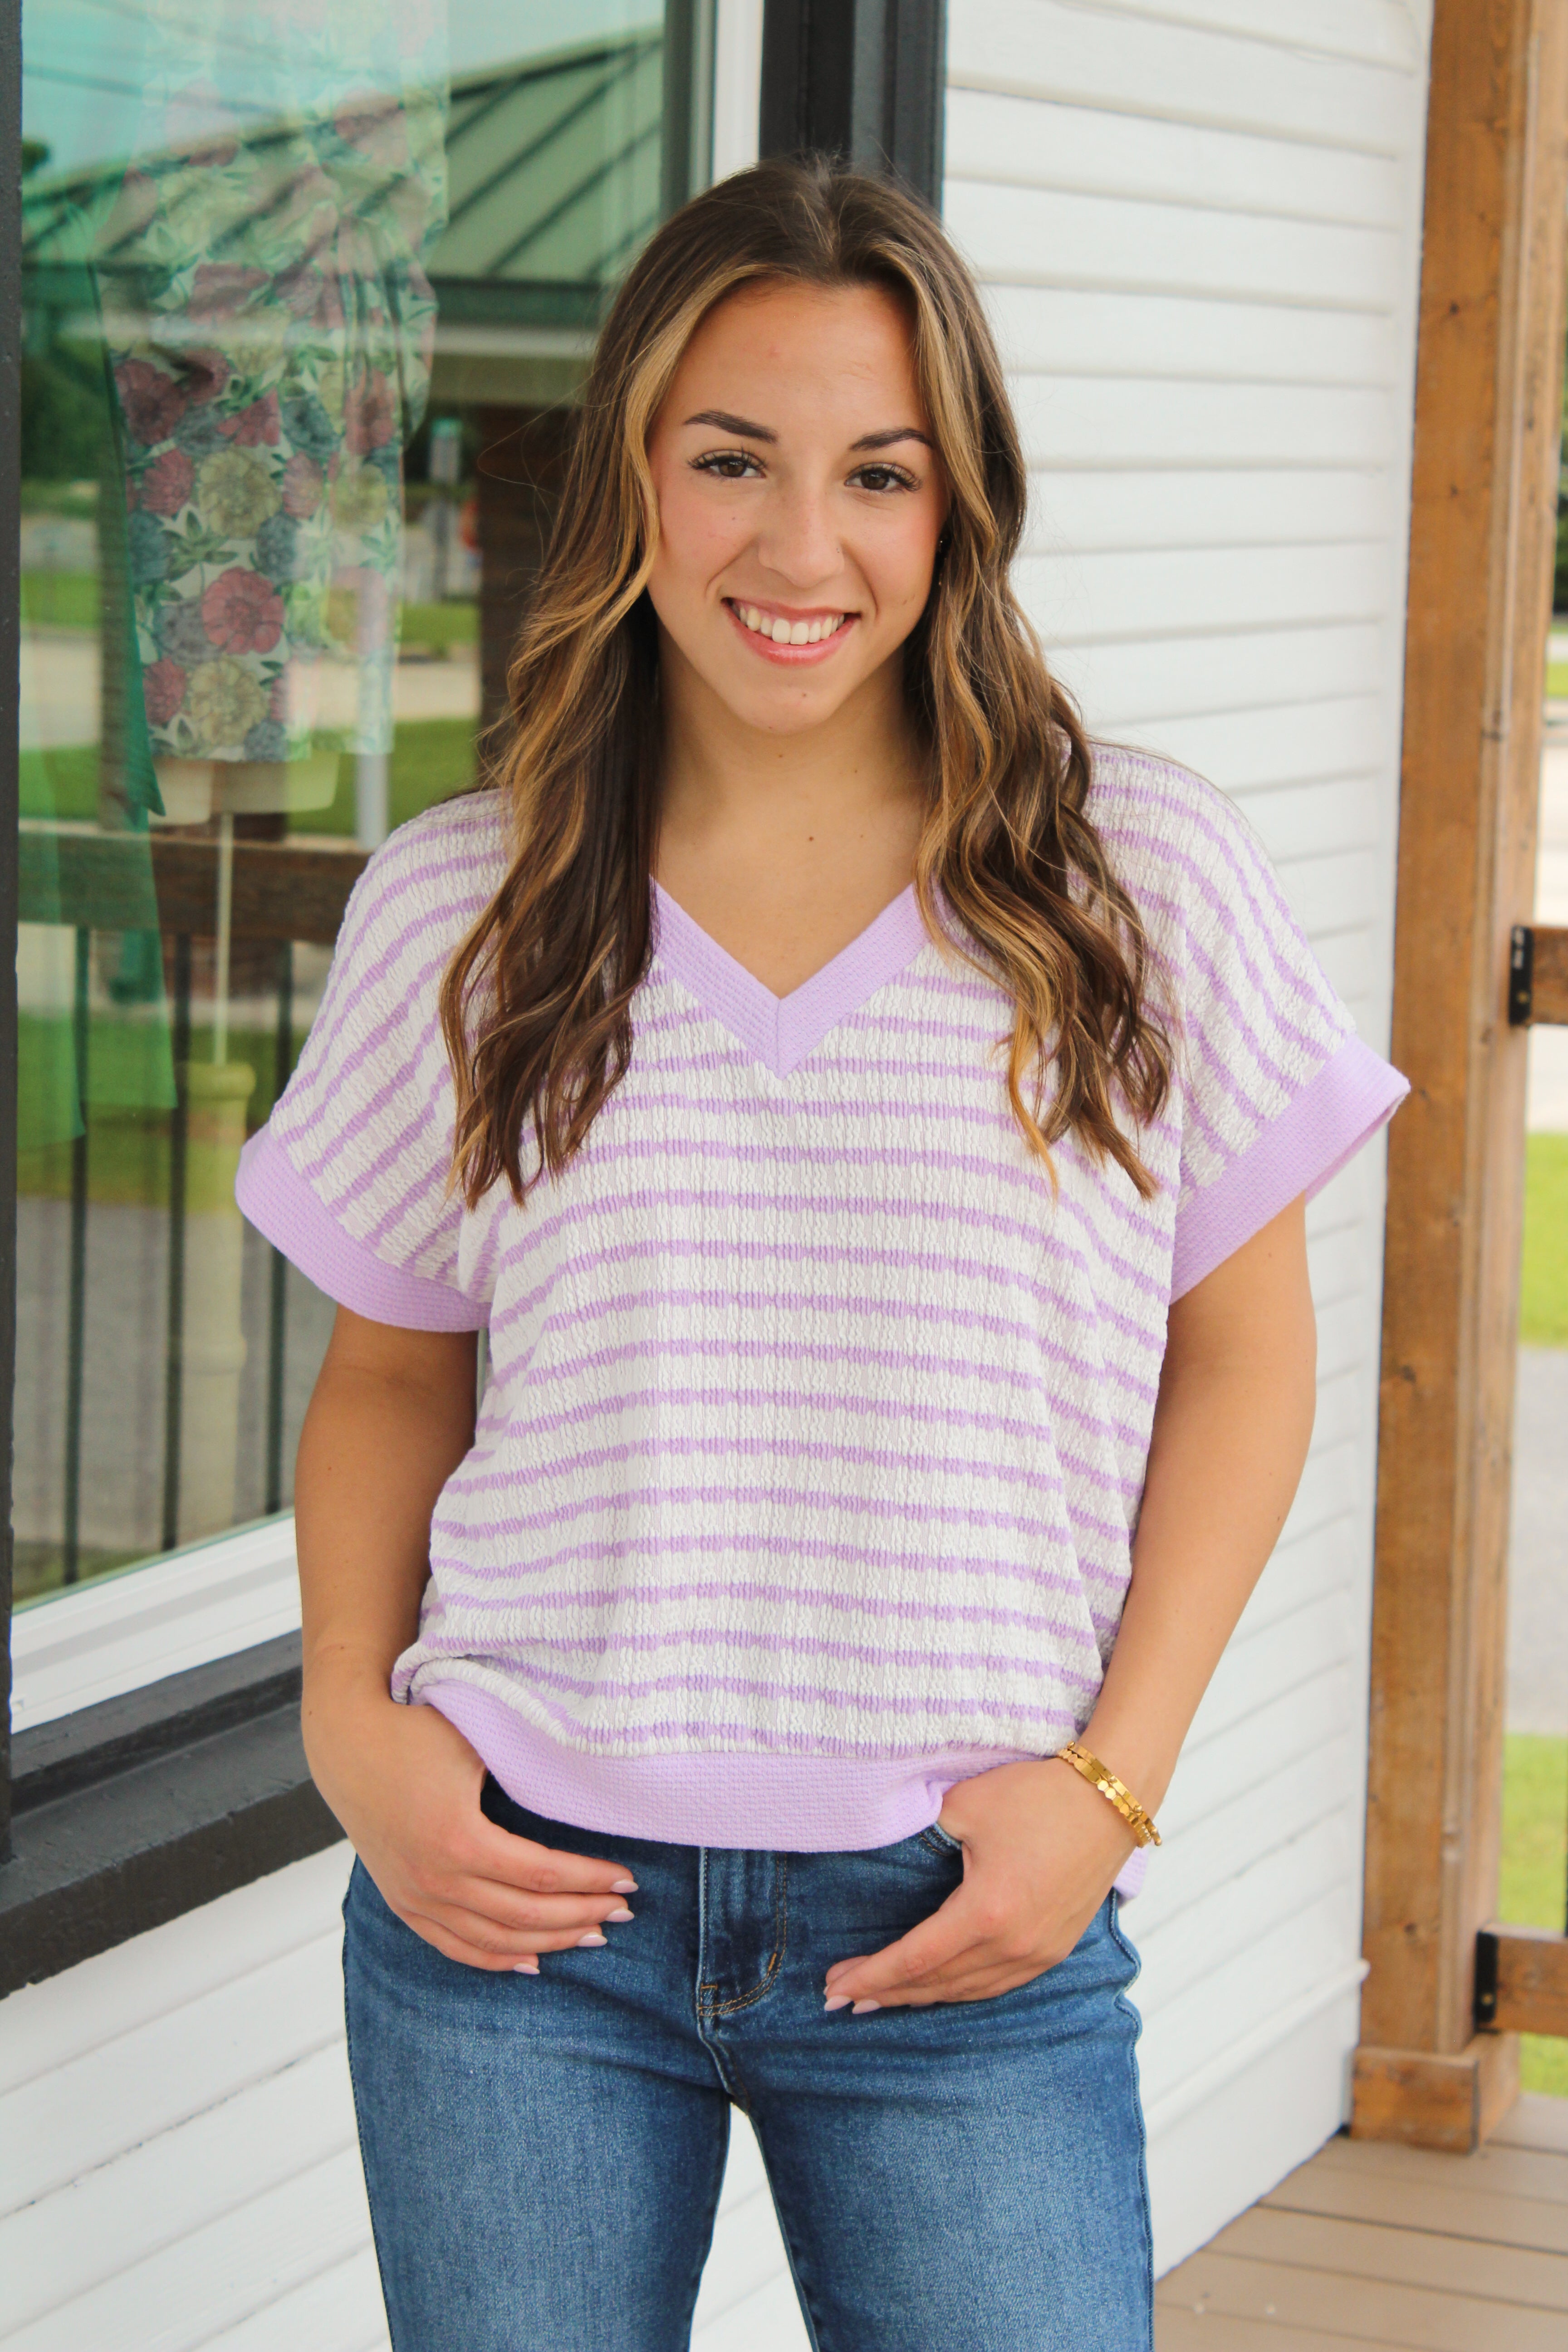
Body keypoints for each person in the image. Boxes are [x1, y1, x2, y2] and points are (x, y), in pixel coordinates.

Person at [237, 157, 1406, 2352]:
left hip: (966, 1909)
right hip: (518, 1914)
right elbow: (393, 1372)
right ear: (632, 476)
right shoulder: (468, 904)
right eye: (731, 461)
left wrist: (1110, 1787)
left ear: (960, 503)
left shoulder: (1132, 882)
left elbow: (1248, 1360)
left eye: (879, 472)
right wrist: (346, 1726)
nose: (800, 547)